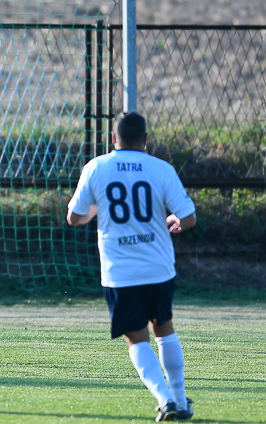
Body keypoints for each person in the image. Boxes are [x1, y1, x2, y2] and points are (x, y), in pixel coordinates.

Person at [67, 111, 196, 422]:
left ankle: (165, 399)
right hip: (158, 267)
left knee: (136, 338)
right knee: (164, 328)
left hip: (119, 271)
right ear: (146, 139)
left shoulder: (96, 167)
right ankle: (180, 399)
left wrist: (95, 211)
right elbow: (188, 218)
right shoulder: (161, 169)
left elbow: (74, 217)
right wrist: (173, 221)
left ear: (113, 138)